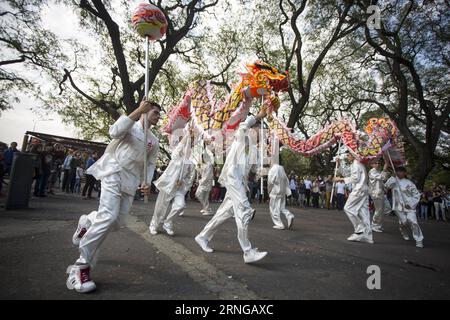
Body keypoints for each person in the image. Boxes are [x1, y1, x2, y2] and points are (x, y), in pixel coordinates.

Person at [66, 100, 161, 293]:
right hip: (113, 172)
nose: (158, 116)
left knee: (115, 222)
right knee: (108, 216)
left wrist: (147, 182)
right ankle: (80, 267)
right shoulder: (131, 125)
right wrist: (136, 111)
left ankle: (87, 222)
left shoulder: (154, 141)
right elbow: (114, 132)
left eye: (159, 114)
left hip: (131, 180)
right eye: (155, 112)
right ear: (145, 111)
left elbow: (150, 163)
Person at [194, 95, 268, 264]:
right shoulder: (242, 137)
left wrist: (261, 174)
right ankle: (247, 251)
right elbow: (244, 124)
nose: (262, 133)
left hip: (240, 183)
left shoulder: (256, 150)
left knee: (223, 213)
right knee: (243, 210)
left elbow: (255, 170)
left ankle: (203, 236)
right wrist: (258, 115)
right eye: (260, 129)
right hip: (231, 177)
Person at [149, 130, 196, 235]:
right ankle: (154, 224)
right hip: (168, 185)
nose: (189, 150)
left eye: (190, 148)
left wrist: (183, 182)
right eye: (187, 147)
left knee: (180, 205)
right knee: (161, 207)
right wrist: (186, 136)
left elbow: (190, 179)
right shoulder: (176, 157)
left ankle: (168, 223)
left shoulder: (191, 164)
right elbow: (178, 149)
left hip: (179, 188)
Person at [335, 152, 373, 244]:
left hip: (359, 189)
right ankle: (368, 236)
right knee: (364, 213)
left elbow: (355, 178)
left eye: (348, 155)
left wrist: (340, 179)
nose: (347, 157)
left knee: (348, 208)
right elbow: (347, 173)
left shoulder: (356, 164)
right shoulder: (357, 164)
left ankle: (359, 230)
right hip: (363, 189)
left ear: (353, 154)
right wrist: (339, 164)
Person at [384, 167, 424, 248]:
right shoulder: (394, 181)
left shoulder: (409, 183)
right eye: (398, 171)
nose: (399, 173)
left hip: (409, 206)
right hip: (398, 207)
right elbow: (386, 186)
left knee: (413, 222)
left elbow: (416, 195)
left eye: (401, 172)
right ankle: (403, 231)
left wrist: (411, 204)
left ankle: (419, 240)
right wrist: (392, 177)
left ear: (405, 173)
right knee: (404, 222)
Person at [268, 162, 294, 230]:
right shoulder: (281, 168)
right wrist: (287, 191)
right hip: (282, 191)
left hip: (275, 191)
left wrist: (269, 191)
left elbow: (270, 182)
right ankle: (289, 215)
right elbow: (286, 180)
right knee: (281, 207)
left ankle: (279, 224)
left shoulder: (272, 169)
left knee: (273, 208)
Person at [368, 158, 391, 233]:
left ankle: (378, 224)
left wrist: (385, 188)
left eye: (378, 163)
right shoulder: (372, 171)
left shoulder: (378, 172)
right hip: (376, 193)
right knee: (379, 210)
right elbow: (382, 177)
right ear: (372, 164)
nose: (377, 164)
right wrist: (385, 168)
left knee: (387, 209)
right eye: (375, 163)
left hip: (381, 193)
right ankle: (374, 225)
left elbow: (382, 181)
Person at [195, 149, 214, 216]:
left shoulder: (209, 165)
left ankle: (208, 209)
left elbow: (207, 175)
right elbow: (200, 172)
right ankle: (206, 208)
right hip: (203, 182)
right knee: (203, 196)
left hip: (206, 183)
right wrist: (198, 168)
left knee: (199, 194)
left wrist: (200, 181)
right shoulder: (204, 164)